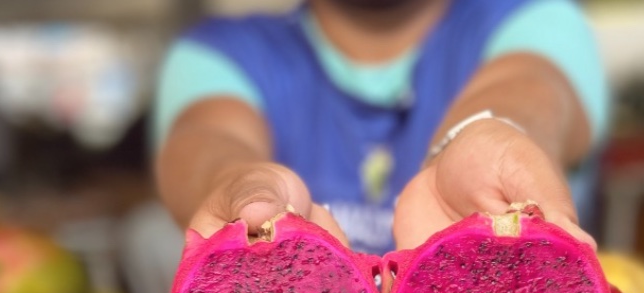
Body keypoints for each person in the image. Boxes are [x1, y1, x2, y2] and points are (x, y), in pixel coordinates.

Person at [150, 0, 608, 256]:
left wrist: (481, 136)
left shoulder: (537, 16)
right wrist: (238, 190)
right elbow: (207, 139)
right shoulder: (219, 53)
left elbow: (531, 86)